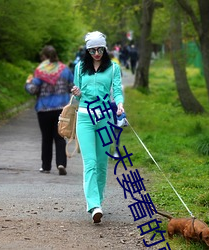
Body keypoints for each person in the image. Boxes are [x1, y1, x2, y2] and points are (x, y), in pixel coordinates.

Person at [71, 31, 124, 223]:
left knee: (102, 164)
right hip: (85, 118)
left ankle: (99, 201)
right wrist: (76, 92)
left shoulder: (113, 68)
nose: (96, 53)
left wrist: (119, 104)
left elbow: (117, 90)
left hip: (105, 119)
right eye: (92, 50)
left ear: (105, 48)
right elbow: (77, 97)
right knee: (90, 163)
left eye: (100, 49)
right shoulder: (79, 68)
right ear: (87, 50)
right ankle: (93, 205)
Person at [25, 45, 74, 175]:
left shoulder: (40, 71)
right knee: (60, 137)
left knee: (46, 138)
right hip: (61, 109)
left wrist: (28, 83)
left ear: (44, 57)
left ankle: (46, 166)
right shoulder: (65, 70)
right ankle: (61, 163)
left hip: (44, 109)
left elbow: (33, 90)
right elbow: (72, 87)